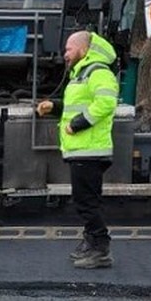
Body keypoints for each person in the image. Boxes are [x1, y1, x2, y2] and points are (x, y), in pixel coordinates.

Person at [36, 30, 120, 269]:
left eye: (69, 49)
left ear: (83, 49)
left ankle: (100, 250)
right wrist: (54, 106)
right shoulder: (82, 74)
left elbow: (106, 103)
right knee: (84, 200)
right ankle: (91, 242)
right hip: (82, 149)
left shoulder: (98, 71)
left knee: (86, 203)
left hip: (90, 149)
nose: (65, 54)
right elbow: (77, 105)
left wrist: (77, 124)